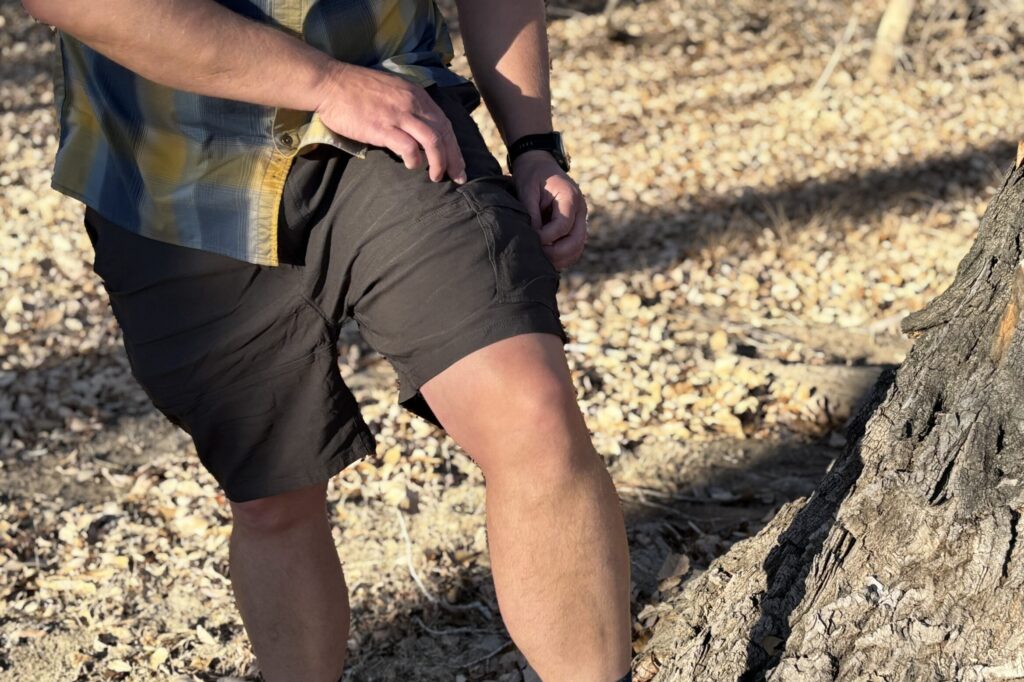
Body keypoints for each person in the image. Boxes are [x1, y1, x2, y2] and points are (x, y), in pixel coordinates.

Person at [21, 0, 633, 679]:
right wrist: (324, 85)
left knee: (531, 413)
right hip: (171, 166)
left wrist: (533, 144)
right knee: (272, 499)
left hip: (397, 112)